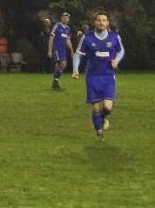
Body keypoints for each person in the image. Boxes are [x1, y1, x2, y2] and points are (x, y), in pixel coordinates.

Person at [72, 11, 125, 141]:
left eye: (104, 20)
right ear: (94, 22)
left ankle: (102, 118)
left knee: (107, 107)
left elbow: (121, 51)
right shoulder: (87, 37)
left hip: (108, 76)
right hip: (92, 76)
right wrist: (75, 70)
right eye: (99, 20)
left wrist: (116, 61)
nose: (101, 22)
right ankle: (99, 133)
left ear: (107, 23)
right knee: (96, 107)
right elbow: (78, 54)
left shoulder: (114, 37)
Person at [48, 12, 74, 89]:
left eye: (67, 18)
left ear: (68, 19)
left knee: (58, 65)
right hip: (56, 48)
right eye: (64, 18)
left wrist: (72, 50)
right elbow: (51, 38)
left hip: (63, 49)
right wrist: (50, 50)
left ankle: (55, 82)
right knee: (63, 63)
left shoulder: (68, 29)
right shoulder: (57, 26)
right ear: (61, 18)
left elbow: (68, 40)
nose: (65, 20)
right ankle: (56, 80)